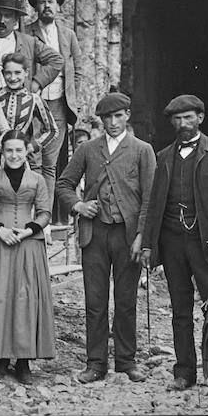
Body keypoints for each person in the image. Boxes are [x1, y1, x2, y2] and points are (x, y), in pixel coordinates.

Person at [142, 94, 208, 399]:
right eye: (177, 119)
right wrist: (150, 245)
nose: (183, 124)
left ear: (200, 118)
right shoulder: (163, 156)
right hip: (173, 244)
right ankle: (184, 373)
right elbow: (154, 206)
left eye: (189, 118)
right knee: (180, 312)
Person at [57, 91, 156, 384]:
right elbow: (64, 183)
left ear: (127, 115)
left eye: (117, 116)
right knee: (95, 302)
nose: (112, 123)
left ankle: (126, 361)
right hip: (95, 234)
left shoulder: (142, 150)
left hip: (127, 237)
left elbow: (150, 198)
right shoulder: (88, 149)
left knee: (125, 301)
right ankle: (96, 363)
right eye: (106, 118)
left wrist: (142, 236)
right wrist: (78, 205)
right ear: (100, 121)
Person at [0, 130, 56, 384]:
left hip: (29, 245)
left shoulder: (38, 180)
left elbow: (44, 213)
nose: (14, 155)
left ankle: (24, 362)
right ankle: (1, 358)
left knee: (25, 299)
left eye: (19, 150)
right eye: (9, 150)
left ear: (27, 150)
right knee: (0, 296)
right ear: (2, 152)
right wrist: (0, 230)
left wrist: (28, 231)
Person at [26, 0, 80, 194]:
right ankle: (33, 210)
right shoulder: (27, 32)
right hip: (33, 102)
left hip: (58, 102)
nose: (47, 6)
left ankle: (45, 217)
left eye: (51, 2)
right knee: (33, 157)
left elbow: (77, 69)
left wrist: (72, 97)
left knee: (50, 162)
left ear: (58, 6)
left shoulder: (68, 35)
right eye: (42, 2)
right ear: (36, 6)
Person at [0, 0, 63, 95]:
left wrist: (36, 83)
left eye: (7, 16)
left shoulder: (28, 41)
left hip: (18, 101)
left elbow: (57, 60)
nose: (2, 20)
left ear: (15, 20)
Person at [0, 53, 57, 182]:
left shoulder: (34, 99)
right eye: (8, 73)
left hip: (20, 160)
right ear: (2, 73)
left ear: (26, 73)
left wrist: (30, 147)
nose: (13, 78)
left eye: (18, 73)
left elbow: (52, 130)